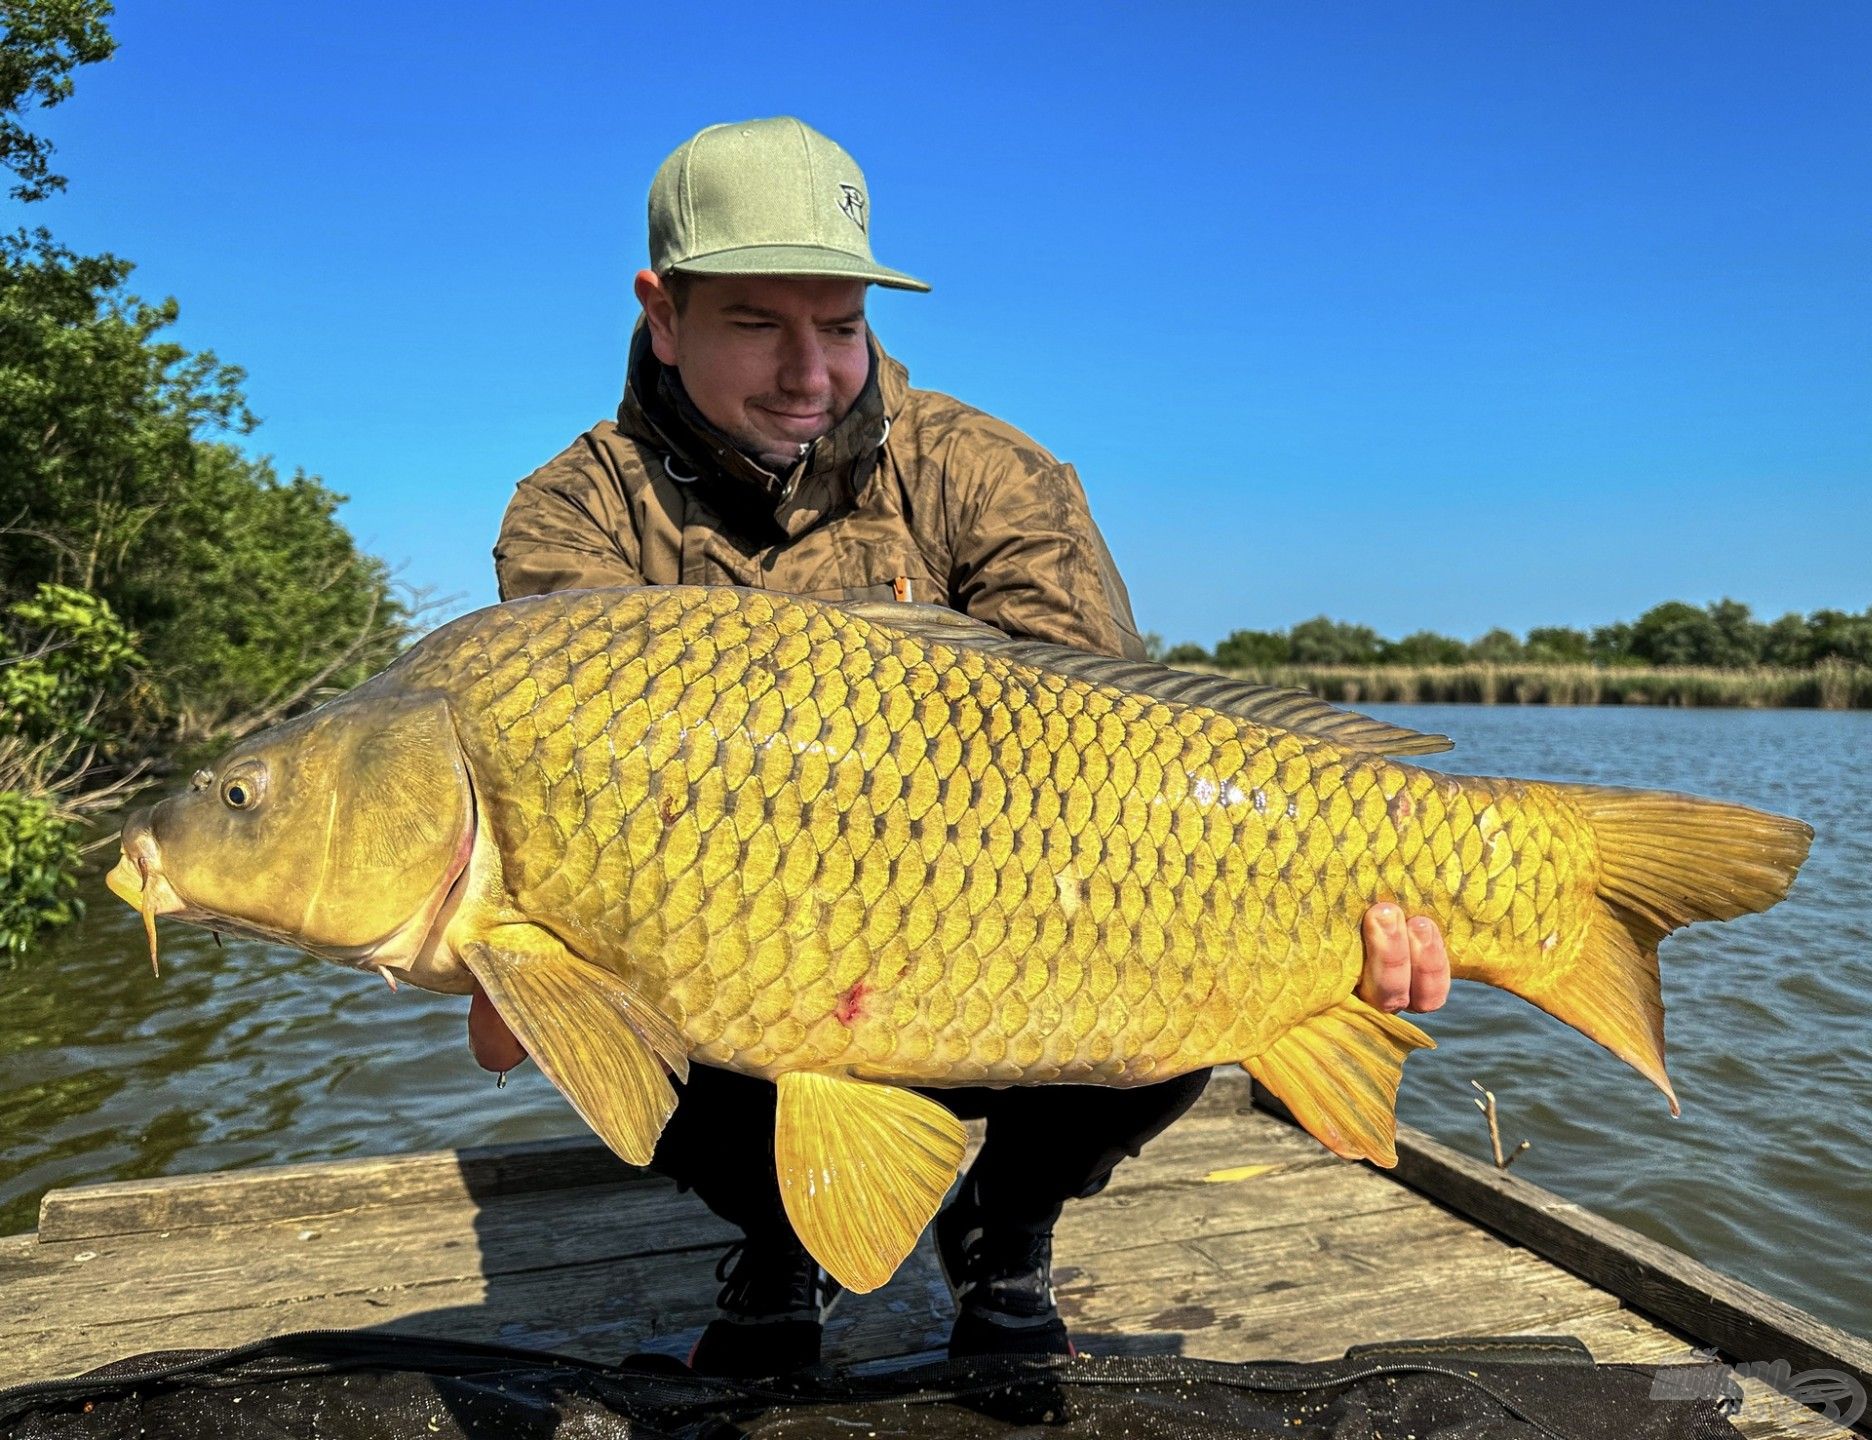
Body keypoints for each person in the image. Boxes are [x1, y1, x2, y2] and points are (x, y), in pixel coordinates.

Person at [471, 117, 1451, 1376]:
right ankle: (785, 1239)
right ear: (664, 313)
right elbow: (558, 785)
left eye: (837, 323)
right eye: (757, 324)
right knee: (610, 989)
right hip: (739, 955)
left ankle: (1005, 1226)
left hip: (999, 926)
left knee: (1188, 979)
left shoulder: (988, 472)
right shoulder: (576, 512)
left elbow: (1116, 743)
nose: (808, 372)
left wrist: (1325, 926)